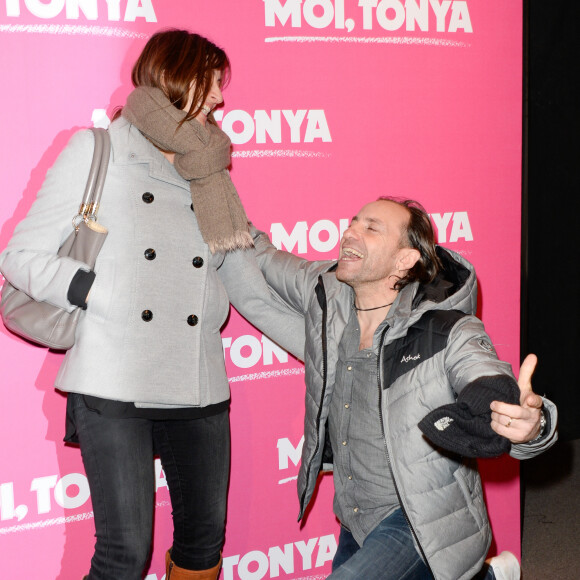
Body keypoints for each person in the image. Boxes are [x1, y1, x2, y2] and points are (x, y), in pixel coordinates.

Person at [0, 29, 303, 580]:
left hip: (196, 378)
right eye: (211, 83)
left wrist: (334, 327)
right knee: (124, 555)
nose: (219, 98)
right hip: (115, 377)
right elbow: (20, 255)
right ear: (175, 77)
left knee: (202, 547)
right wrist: (99, 291)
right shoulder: (98, 149)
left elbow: (249, 274)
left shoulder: (208, 170)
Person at [246, 197, 557, 580]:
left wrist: (531, 424)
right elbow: (262, 255)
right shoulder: (326, 293)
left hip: (419, 520)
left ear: (405, 260)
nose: (350, 232)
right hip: (356, 519)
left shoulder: (447, 328)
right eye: (353, 221)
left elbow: (486, 379)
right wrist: (203, 185)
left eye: (371, 228)